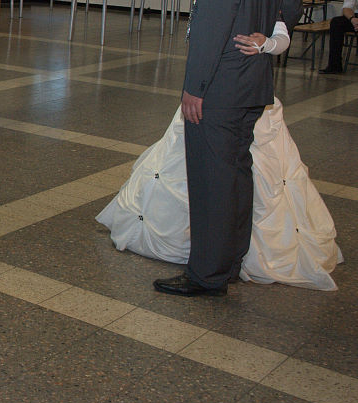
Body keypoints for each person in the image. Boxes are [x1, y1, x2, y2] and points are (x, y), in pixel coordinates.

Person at [98, 21, 341, 290]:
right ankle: (216, 254)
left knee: (232, 175)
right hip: (217, 87)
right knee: (207, 170)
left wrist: (267, 44)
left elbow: (281, 31)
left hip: (237, 91)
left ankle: (221, 257)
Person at [153, 0, 301, 297]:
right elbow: (292, 4)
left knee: (211, 180)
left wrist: (194, 87)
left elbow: (212, 23)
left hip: (219, 84)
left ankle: (207, 274)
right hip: (253, 80)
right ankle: (229, 262)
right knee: (235, 174)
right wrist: (268, 38)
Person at [319, 0, 358, 74]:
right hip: (356, 17)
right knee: (336, 22)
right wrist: (352, 19)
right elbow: (347, 7)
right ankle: (334, 65)